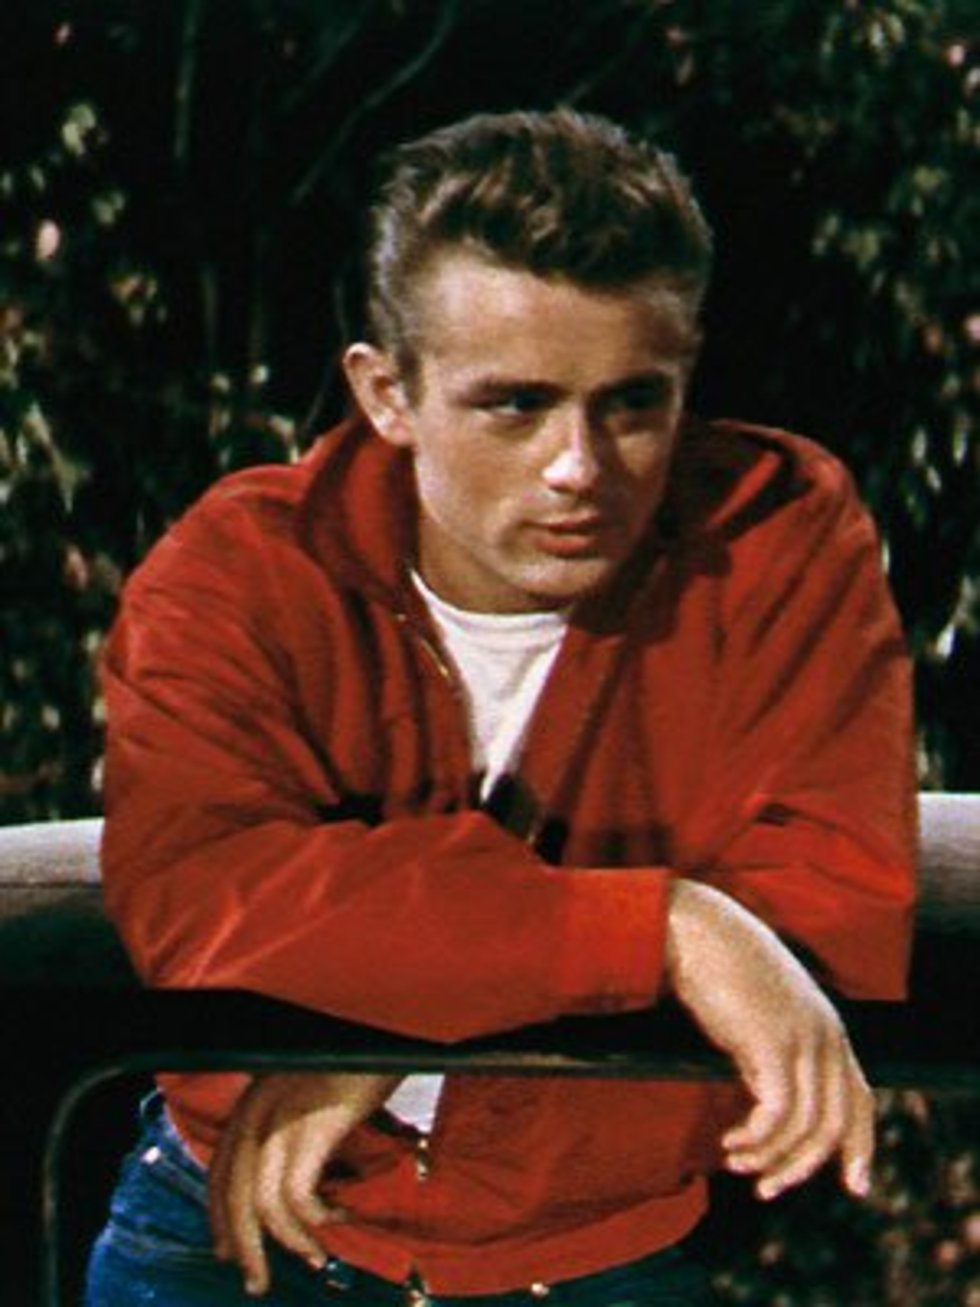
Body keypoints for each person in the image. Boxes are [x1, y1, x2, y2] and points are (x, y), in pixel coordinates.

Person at [85, 108, 917, 1306]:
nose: (579, 466)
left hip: (592, 1250)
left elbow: (829, 906)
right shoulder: (239, 571)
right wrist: (667, 926)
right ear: (386, 393)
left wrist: (371, 1031)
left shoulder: (776, 537)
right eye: (514, 405)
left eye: (631, 403)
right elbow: (201, 891)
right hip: (234, 1221)